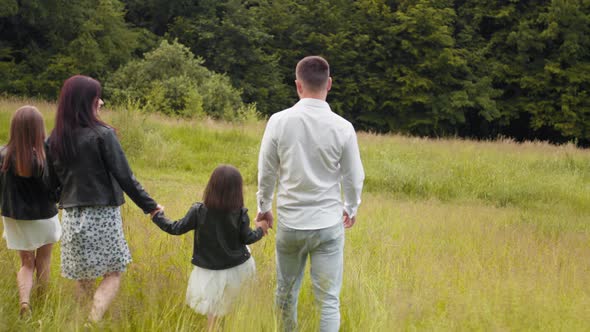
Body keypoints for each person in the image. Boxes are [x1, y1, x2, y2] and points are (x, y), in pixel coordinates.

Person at [256, 56, 365, 331]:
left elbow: (267, 171)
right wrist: (350, 208)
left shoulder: (278, 121)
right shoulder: (343, 127)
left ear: (298, 86)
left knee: (285, 295)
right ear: (328, 84)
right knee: (328, 300)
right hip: (328, 223)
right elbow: (354, 176)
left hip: (291, 223)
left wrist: (264, 206)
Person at [45, 75, 162, 322]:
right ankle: (92, 321)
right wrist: (151, 207)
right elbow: (125, 177)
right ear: (87, 101)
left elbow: (52, 184)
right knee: (113, 272)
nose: (101, 102)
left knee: (84, 277)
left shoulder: (54, 139)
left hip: (72, 216)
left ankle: (83, 321)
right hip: (102, 215)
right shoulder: (103, 134)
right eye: (97, 98)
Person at [151, 164, 269, 331]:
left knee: (213, 312)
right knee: (235, 307)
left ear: (211, 186)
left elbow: (175, 228)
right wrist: (261, 229)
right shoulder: (240, 213)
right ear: (237, 191)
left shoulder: (198, 211)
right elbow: (247, 238)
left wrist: (157, 216)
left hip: (209, 271)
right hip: (239, 267)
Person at [0, 105, 62, 317]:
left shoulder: (3, 155)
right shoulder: (46, 157)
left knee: (26, 263)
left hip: (16, 218)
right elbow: (56, 190)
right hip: (45, 217)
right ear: (39, 128)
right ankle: (42, 304)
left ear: (14, 127)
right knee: (43, 261)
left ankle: (25, 302)